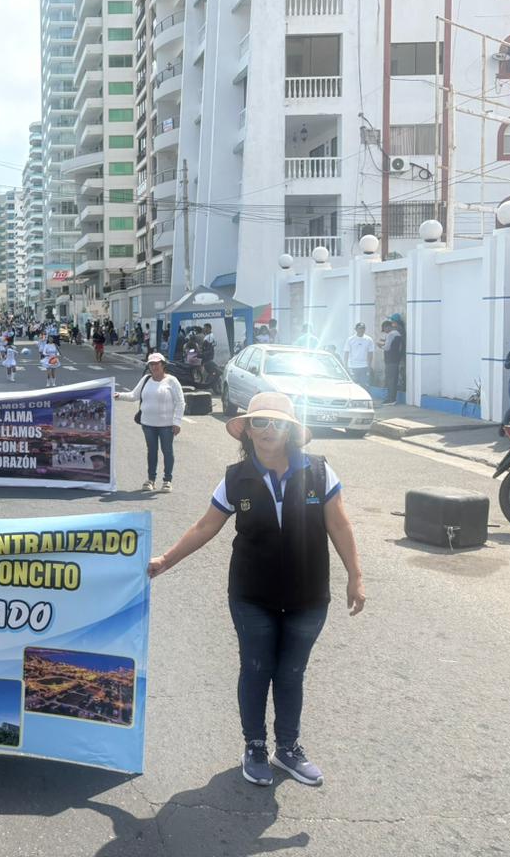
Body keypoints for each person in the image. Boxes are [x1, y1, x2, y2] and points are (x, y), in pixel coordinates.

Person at [148, 392, 365, 788]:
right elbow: (205, 526)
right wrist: (166, 559)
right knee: (256, 667)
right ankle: (255, 745)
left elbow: (339, 524)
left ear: (291, 431)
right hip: (251, 595)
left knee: (292, 672)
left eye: (278, 423)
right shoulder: (236, 478)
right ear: (247, 430)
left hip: (308, 596)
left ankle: (288, 748)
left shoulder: (319, 472)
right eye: (260, 422)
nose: (268, 430)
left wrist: (356, 575)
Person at [114, 353, 186, 492]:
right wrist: (118, 395)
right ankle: (151, 480)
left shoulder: (172, 381)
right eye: (151, 364)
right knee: (151, 452)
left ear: (163, 365)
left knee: (167, 451)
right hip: (148, 424)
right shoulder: (146, 379)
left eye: (156, 364)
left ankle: (167, 481)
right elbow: (133, 395)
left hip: (166, 425)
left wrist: (177, 422)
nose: (154, 367)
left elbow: (180, 402)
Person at [342, 323, 374, 391]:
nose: (362, 330)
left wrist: (369, 366)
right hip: (352, 366)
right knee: (353, 386)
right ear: (356, 329)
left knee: (364, 386)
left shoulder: (369, 339)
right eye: (360, 328)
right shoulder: (350, 339)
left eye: (363, 328)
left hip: (364, 366)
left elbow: (370, 353)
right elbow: (346, 353)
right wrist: (345, 366)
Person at [379, 319, 404, 405]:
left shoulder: (391, 334)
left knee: (390, 380)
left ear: (387, 327)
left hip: (391, 360)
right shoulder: (397, 334)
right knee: (393, 379)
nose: (385, 331)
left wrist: (380, 346)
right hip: (395, 359)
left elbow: (387, 347)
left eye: (384, 329)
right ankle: (391, 398)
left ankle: (391, 399)